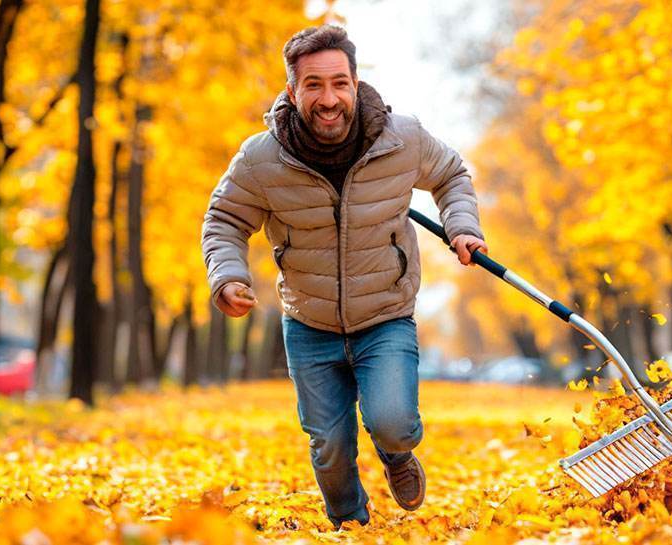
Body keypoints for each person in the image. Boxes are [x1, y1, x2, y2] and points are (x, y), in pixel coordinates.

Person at [201, 24, 486, 528]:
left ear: (355, 83)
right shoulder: (261, 159)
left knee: (394, 424)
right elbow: (224, 219)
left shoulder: (403, 139)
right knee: (329, 449)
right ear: (292, 91)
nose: (328, 98)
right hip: (308, 322)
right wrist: (226, 277)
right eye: (313, 85)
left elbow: (451, 175)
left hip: (384, 314)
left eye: (339, 83)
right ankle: (353, 527)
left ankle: (396, 455)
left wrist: (462, 227)